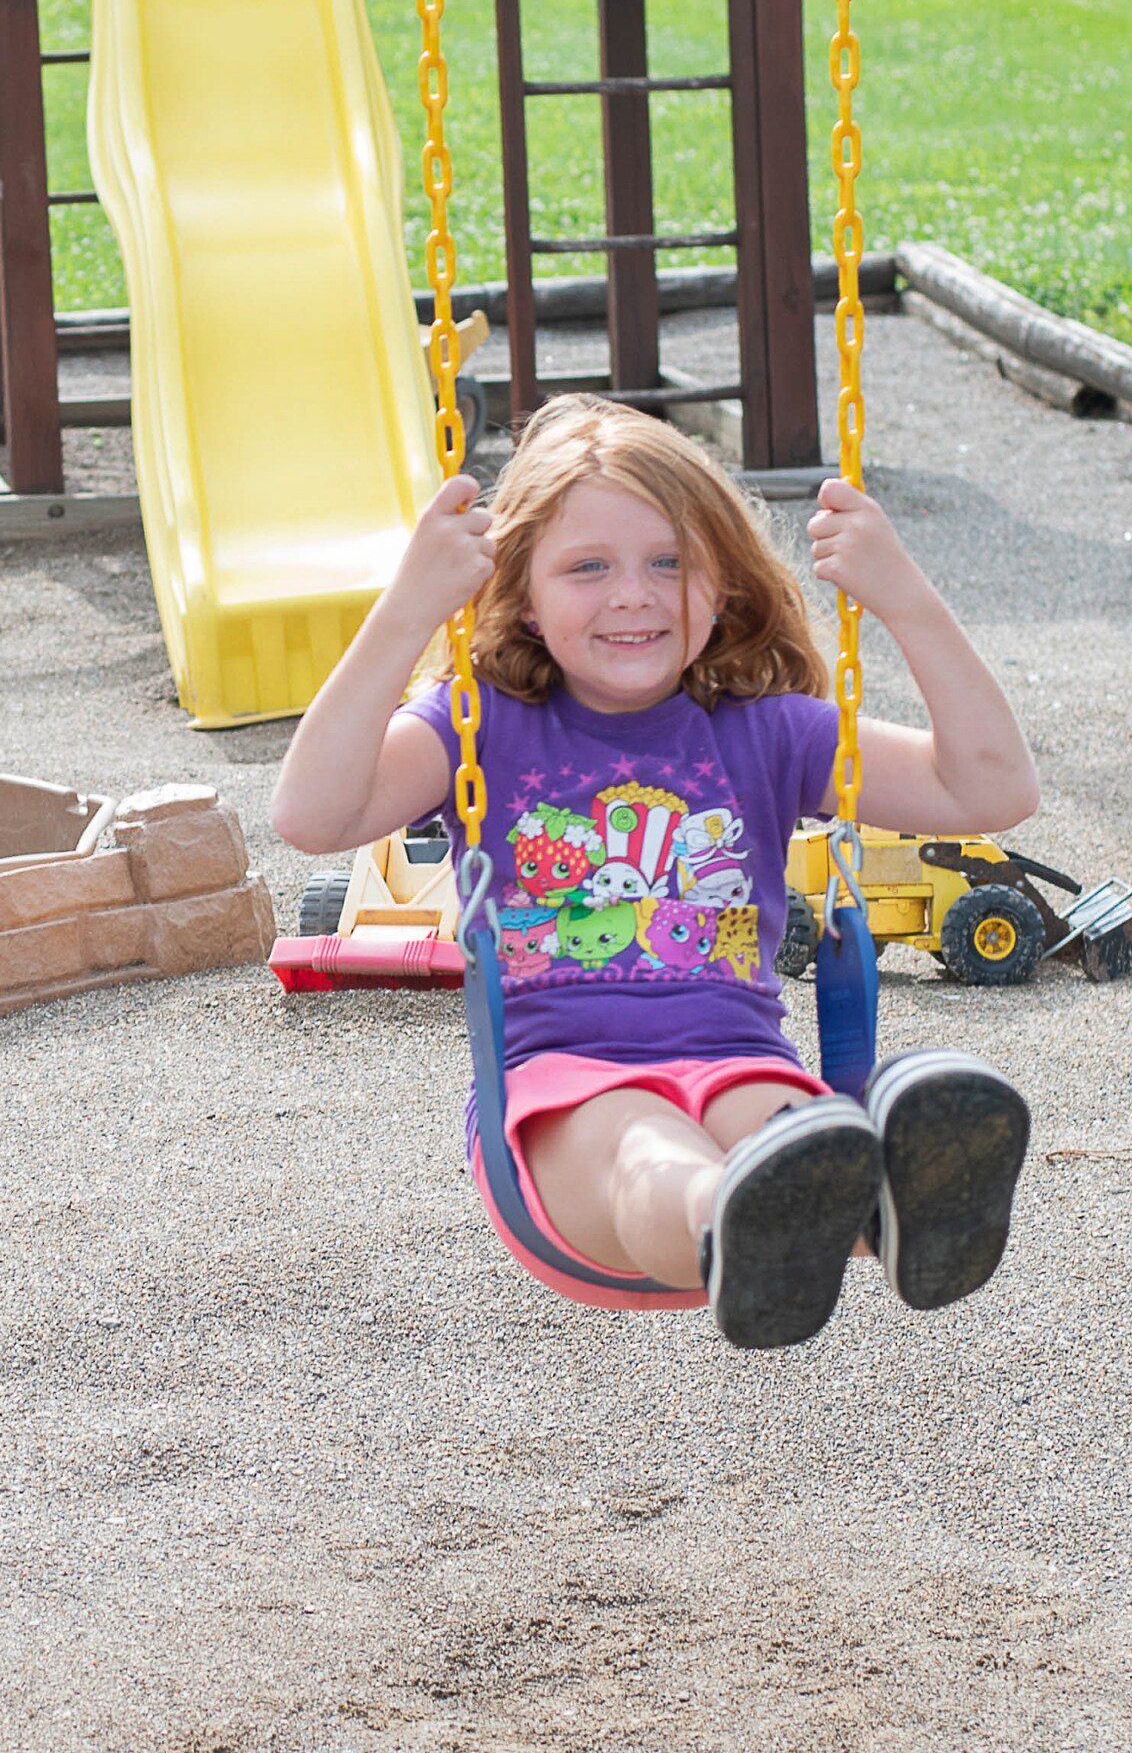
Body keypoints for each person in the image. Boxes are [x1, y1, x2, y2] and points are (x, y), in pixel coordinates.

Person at [269, 396, 1038, 1349]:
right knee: (643, 1137)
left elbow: (992, 790)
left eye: (669, 563)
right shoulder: (481, 728)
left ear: (722, 582)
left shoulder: (765, 733)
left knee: (778, 1121)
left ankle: (888, 1208)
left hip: (741, 1060)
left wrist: (904, 597)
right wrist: (408, 611)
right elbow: (311, 815)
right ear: (523, 594)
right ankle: (745, 1223)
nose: (634, 593)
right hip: (557, 1090)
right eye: (588, 567)